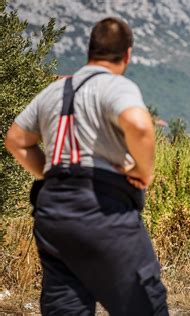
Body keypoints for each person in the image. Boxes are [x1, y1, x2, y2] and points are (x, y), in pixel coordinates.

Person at [5, 17, 168, 315]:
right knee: (147, 305)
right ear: (128, 55)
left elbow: (16, 140)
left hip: (54, 213)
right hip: (102, 210)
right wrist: (141, 173)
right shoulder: (116, 86)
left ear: (89, 51)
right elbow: (140, 126)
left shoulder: (54, 91)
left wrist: (52, 174)